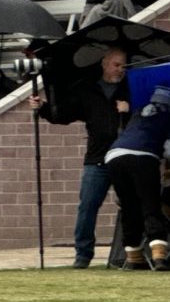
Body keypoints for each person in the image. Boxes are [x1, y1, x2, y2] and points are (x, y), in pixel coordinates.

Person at [31, 47, 129, 268]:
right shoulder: (87, 89)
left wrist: (128, 110)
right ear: (104, 64)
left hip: (125, 155)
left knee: (131, 205)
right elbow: (63, 115)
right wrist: (43, 108)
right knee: (87, 207)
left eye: (123, 66)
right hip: (97, 157)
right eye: (116, 65)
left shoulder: (130, 89)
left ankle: (131, 252)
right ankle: (83, 254)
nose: (120, 70)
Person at [106, 85, 170, 271]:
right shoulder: (168, 115)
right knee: (150, 204)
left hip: (114, 156)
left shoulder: (138, 112)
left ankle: (134, 256)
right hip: (143, 157)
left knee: (129, 205)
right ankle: (159, 256)